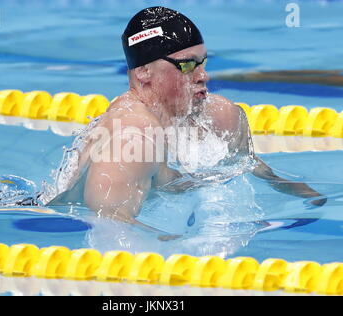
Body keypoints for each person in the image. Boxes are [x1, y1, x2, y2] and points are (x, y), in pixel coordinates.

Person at [45, 6, 326, 232]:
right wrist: (179, 249)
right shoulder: (131, 134)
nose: (203, 76)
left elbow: (247, 166)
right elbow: (110, 223)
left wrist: (309, 197)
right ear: (143, 72)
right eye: (188, 65)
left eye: (203, 62)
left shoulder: (221, 117)